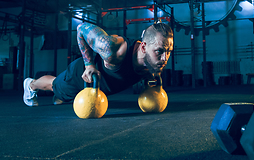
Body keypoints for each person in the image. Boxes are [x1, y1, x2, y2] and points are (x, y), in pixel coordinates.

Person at [23, 22, 174, 107]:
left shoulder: (153, 61)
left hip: (99, 90)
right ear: (143, 47)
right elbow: (81, 29)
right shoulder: (113, 50)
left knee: (63, 98)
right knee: (54, 85)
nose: (164, 58)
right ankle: (31, 85)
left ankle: (61, 96)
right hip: (82, 76)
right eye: (160, 51)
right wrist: (89, 65)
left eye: (169, 51)